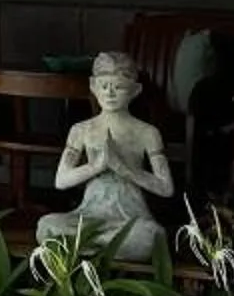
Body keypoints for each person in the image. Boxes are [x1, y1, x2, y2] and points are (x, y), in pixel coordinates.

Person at [34, 49, 174, 262]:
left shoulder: (147, 133)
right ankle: (105, 246)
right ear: (93, 86)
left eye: (118, 87)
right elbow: (61, 181)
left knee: (151, 236)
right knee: (47, 226)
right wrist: (97, 166)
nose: (109, 93)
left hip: (129, 218)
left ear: (135, 91)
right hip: (89, 215)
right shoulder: (81, 130)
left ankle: (90, 246)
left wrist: (123, 168)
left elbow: (166, 187)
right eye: (104, 86)